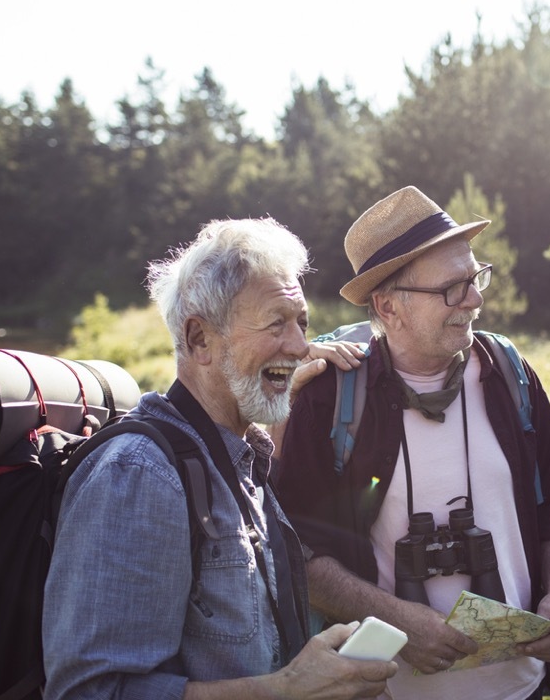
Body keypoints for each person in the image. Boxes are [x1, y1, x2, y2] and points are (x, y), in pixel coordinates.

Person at [43, 218, 397, 700]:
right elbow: (92, 693)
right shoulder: (140, 476)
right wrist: (286, 690)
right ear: (199, 340)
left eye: (302, 323)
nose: (299, 346)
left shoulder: (241, 459)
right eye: (276, 323)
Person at [277, 186, 550, 700]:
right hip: (389, 691)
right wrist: (395, 617)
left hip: (523, 686)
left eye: (475, 277)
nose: (476, 299)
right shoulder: (330, 397)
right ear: (388, 306)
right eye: (452, 288)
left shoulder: (510, 377)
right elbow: (296, 552)